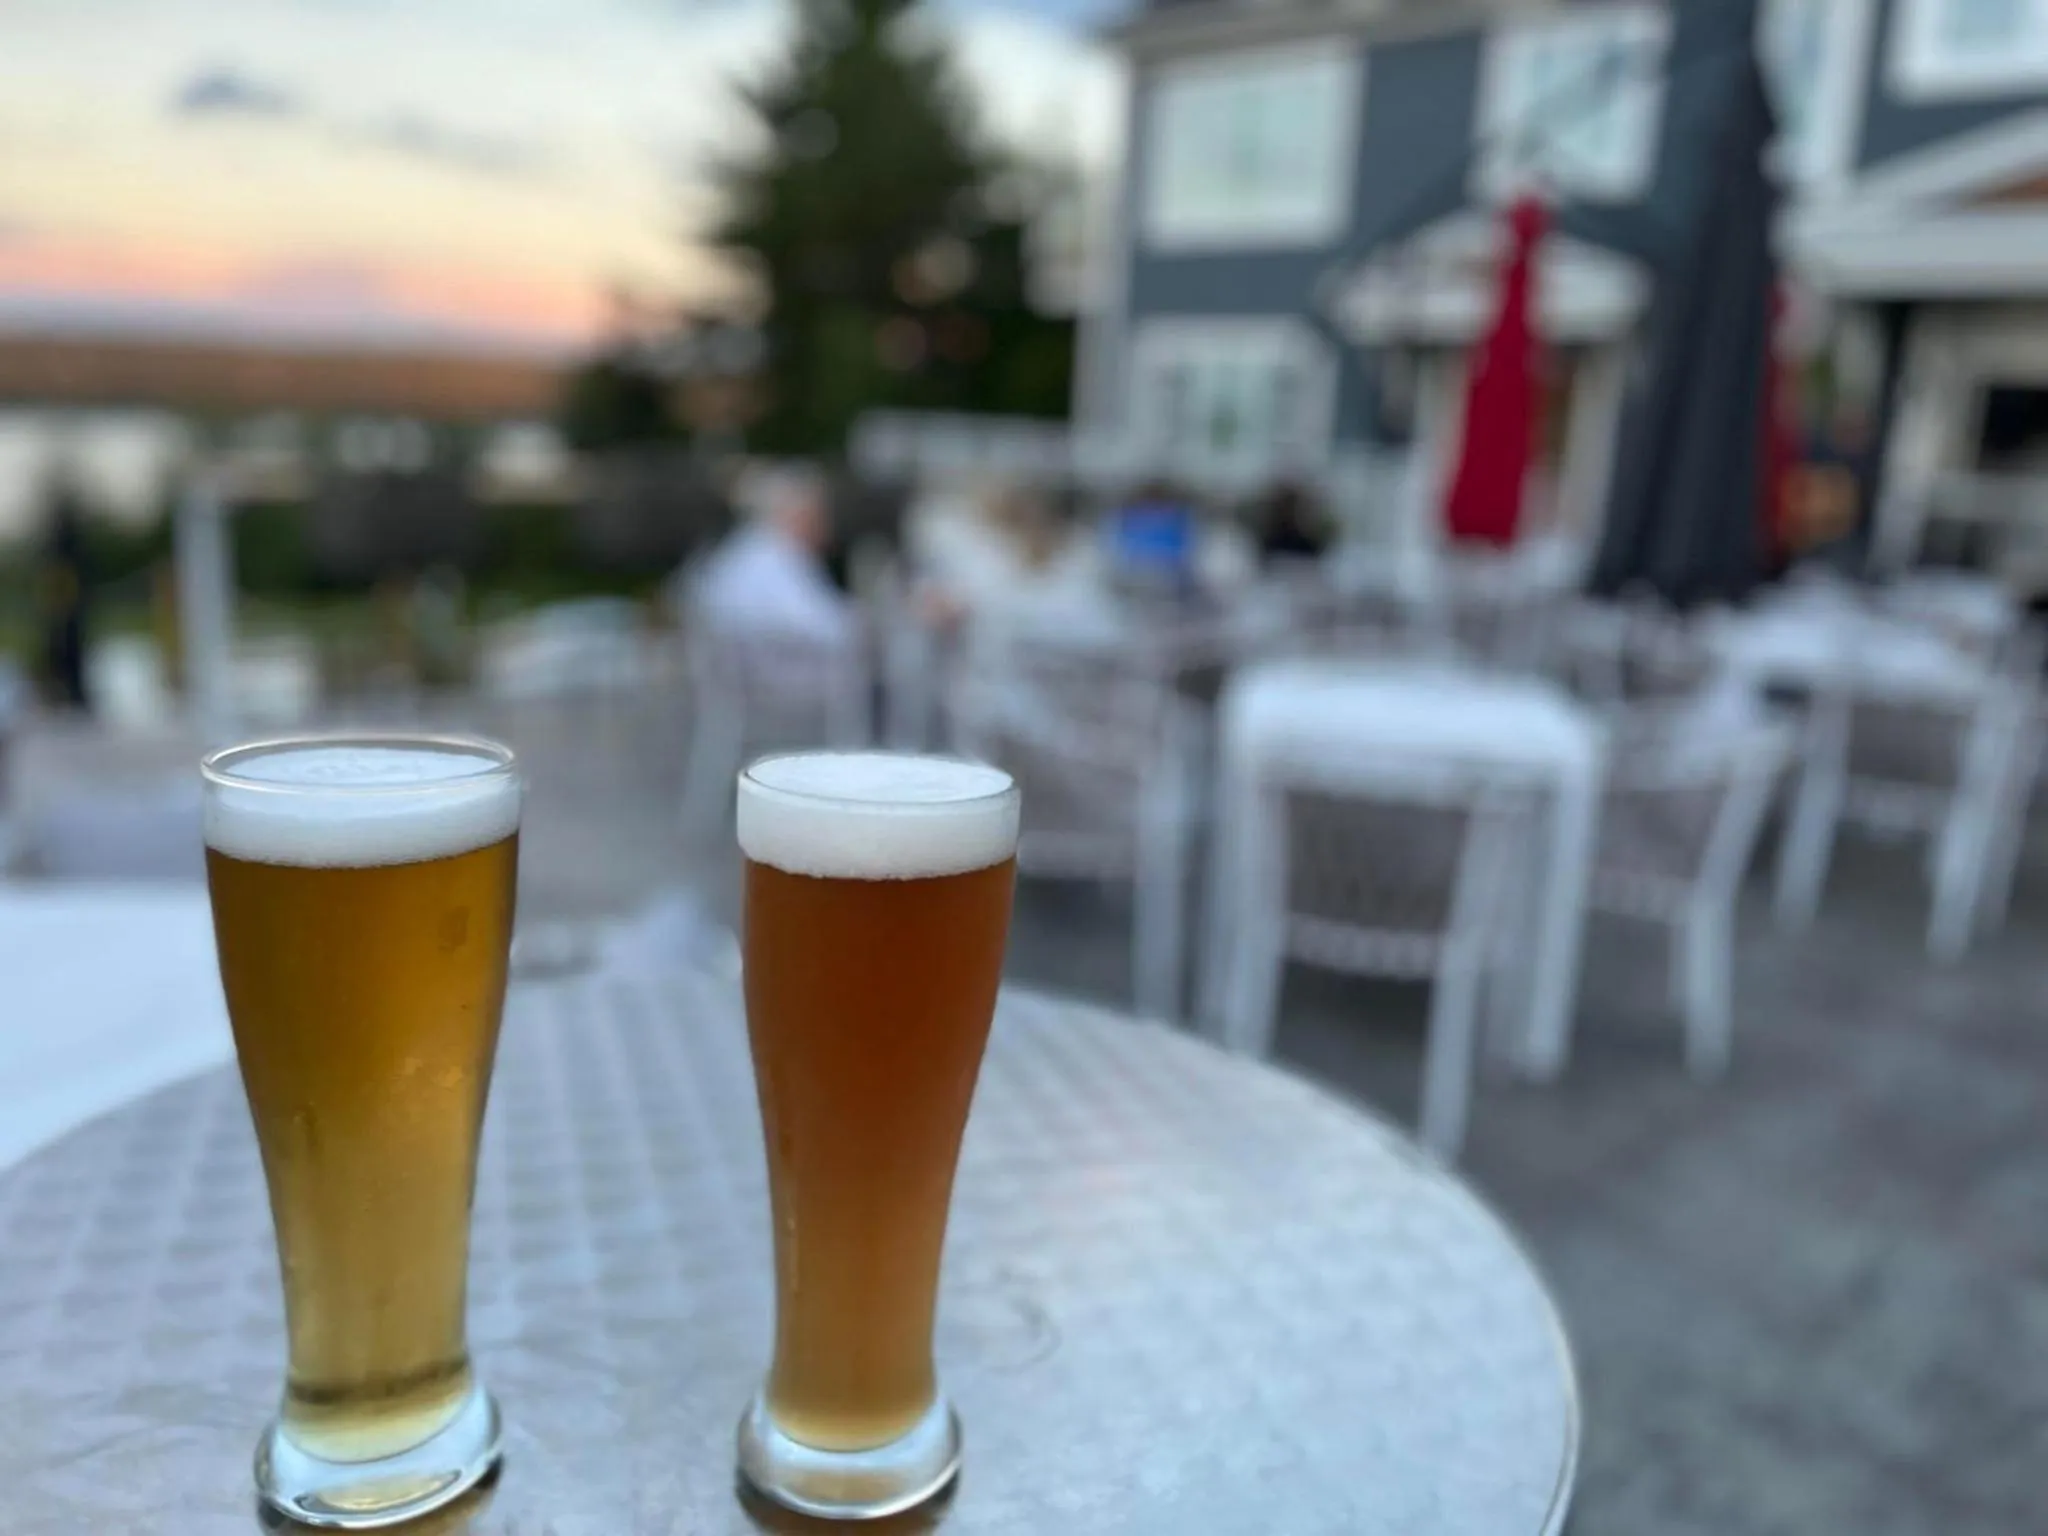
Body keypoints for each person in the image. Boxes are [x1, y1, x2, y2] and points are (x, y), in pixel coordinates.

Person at [690, 462, 854, 644]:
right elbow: (828, 628)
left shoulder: (739, 549)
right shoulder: (779, 554)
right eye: (819, 513)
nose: (826, 525)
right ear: (799, 512)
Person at [1253, 481, 1330, 566]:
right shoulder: (1268, 544)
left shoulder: (1308, 546)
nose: (1288, 513)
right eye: (1284, 508)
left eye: (1292, 508)